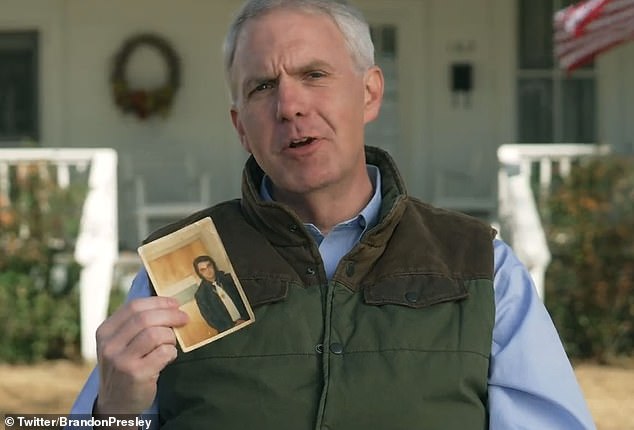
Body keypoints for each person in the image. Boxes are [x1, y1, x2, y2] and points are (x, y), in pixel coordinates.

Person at [69, 0, 596, 429]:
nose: (290, 105)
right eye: (262, 86)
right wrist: (112, 410)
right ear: (240, 126)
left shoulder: (482, 267)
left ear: (369, 93)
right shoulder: (180, 265)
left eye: (314, 74)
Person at [192, 255, 249, 331]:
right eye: (203, 270)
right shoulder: (201, 295)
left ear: (213, 265)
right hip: (229, 330)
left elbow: (246, 298)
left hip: (249, 318)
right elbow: (211, 320)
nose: (208, 270)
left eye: (209, 266)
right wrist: (232, 326)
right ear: (199, 273)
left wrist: (246, 318)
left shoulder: (230, 279)